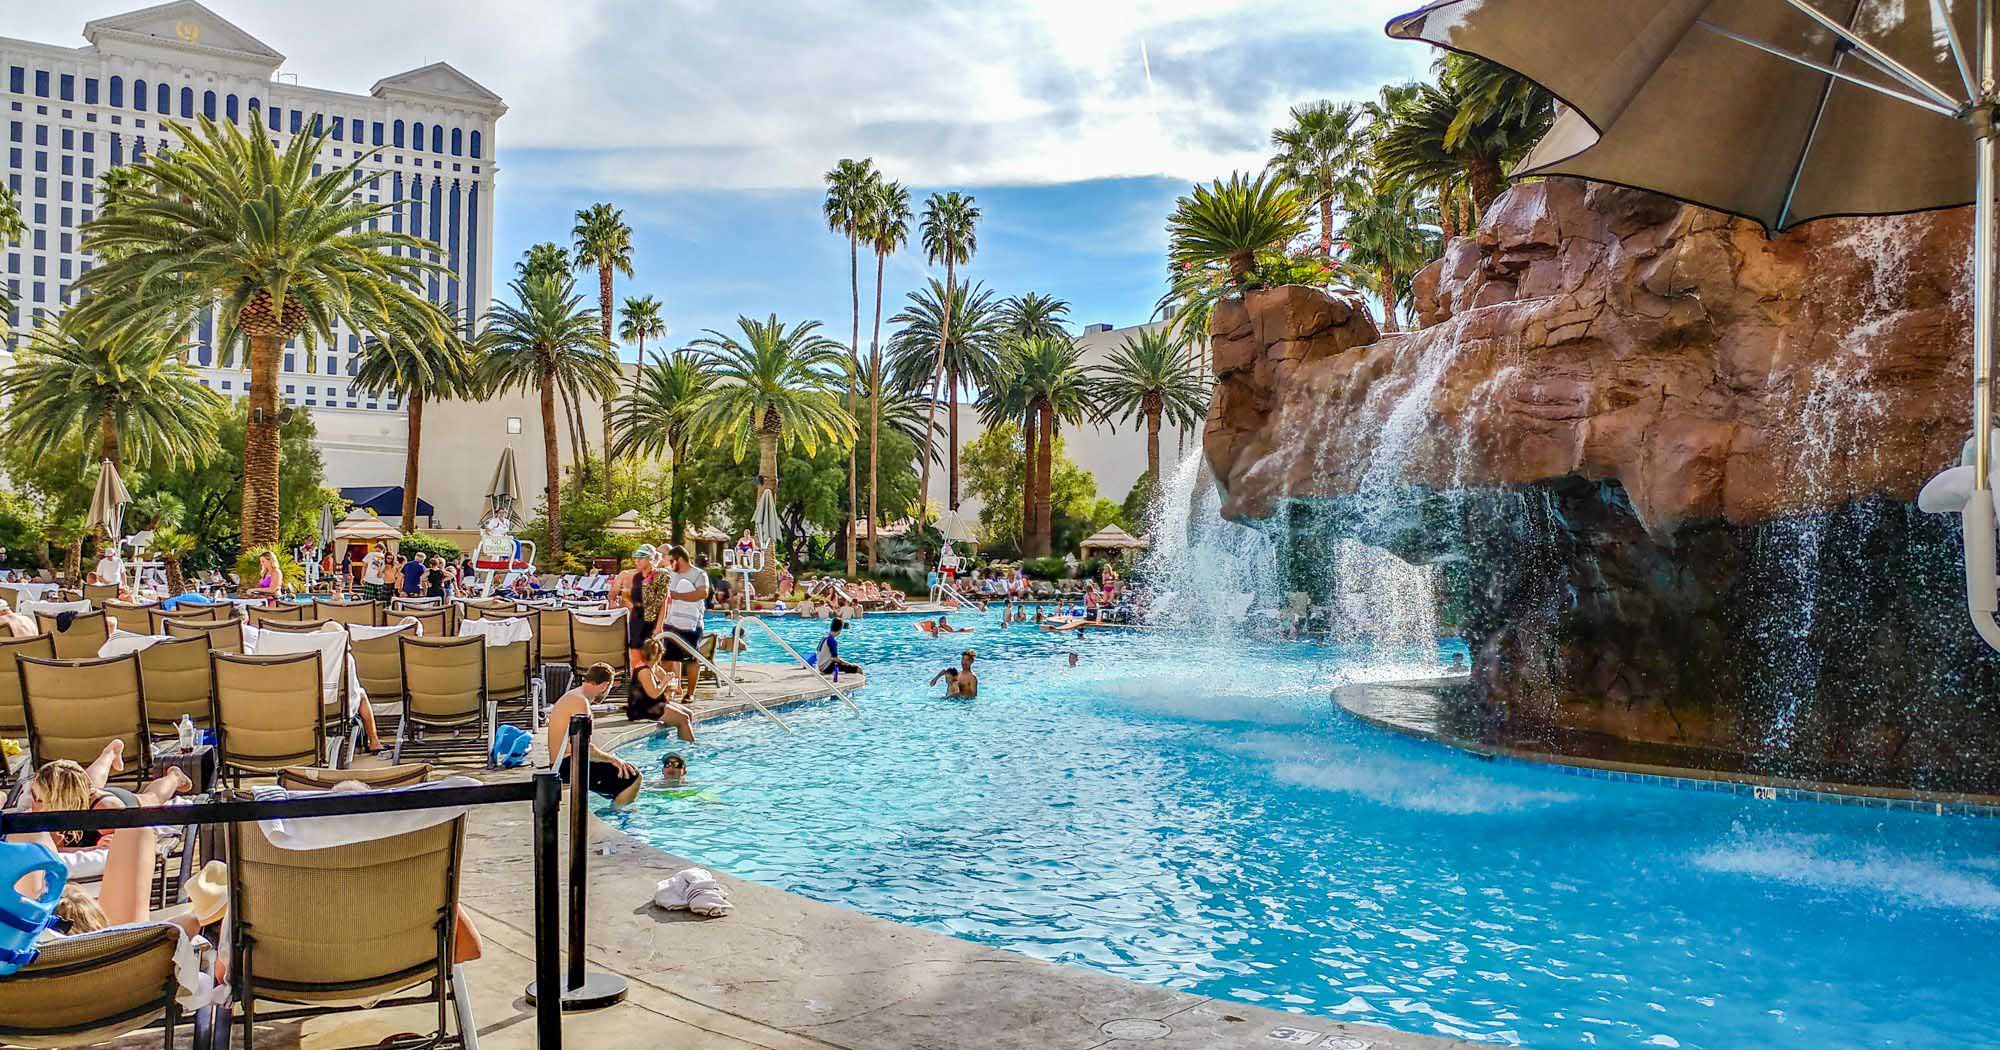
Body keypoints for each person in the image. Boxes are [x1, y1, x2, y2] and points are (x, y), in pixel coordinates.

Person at [544, 663, 643, 809]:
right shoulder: (581, 702)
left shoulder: (574, 695)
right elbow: (584, 748)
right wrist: (614, 759)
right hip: (567, 766)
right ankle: (616, 814)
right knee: (633, 777)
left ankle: (616, 807)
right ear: (604, 685)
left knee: (622, 772)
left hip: (564, 763)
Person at [657, 545, 710, 699]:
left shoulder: (699, 574)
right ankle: (669, 691)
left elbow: (702, 593)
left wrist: (677, 596)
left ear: (680, 559)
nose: (670, 564)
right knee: (665, 658)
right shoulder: (670, 575)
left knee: (691, 659)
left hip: (692, 624)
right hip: (671, 621)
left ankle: (690, 693)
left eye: (672, 561)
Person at [626, 637, 698, 742]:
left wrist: (671, 688)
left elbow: (669, 684)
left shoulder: (655, 668)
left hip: (654, 703)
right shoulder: (643, 671)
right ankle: (690, 746)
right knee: (683, 718)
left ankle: (680, 740)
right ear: (658, 655)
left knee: (689, 713)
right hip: (643, 708)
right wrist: (665, 680)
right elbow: (654, 693)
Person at [614, 544, 662, 674]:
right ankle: (639, 685)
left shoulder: (659, 576)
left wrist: (659, 626)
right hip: (636, 618)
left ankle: (666, 684)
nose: (637, 561)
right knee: (635, 656)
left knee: (651, 659)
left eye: (641, 558)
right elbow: (629, 598)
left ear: (650, 559)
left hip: (652, 619)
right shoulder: (636, 577)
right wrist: (629, 601)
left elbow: (663, 604)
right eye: (636, 558)